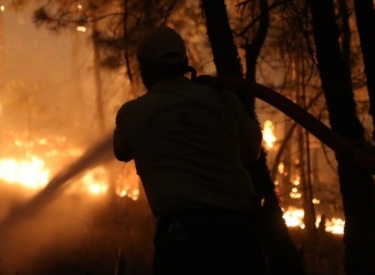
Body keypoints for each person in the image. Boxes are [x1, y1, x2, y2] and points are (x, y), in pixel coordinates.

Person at [113, 26, 267, 275]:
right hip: (239, 231)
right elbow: (252, 152)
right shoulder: (224, 98)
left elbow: (121, 151)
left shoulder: (133, 113)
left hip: (183, 237)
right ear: (185, 62)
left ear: (144, 68)